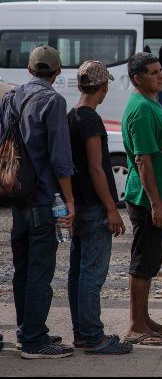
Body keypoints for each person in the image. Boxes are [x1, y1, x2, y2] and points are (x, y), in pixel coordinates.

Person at [2, 46, 75, 359]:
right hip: (43, 197)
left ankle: (26, 330)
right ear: (56, 73)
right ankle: (34, 340)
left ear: (29, 70)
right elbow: (60, 158)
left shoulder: (10, 98)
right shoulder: (53, 100)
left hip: (16, 193)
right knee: (40, 271)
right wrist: (70, 201)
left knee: (22, 267)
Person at [67, 60, 132, 355]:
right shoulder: (90, 119)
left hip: (79, 204)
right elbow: (96, 168)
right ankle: (93, 336)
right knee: (92, 275)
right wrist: (111, 208)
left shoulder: (72, 115)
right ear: (103, 86)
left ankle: (82, 334)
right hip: (93, 207)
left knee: (78, 274)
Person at [121, 52, 162, 346]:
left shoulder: (150, 103)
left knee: (151, 260)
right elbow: (143, 160)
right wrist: (156, 203)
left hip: (158, 198)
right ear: (137, 78)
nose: (160, 76)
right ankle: (135, 325)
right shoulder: (142, 109)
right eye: (153, 72)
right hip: (147, 199)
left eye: (160, 71)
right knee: (142, 262)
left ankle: (145, 319)